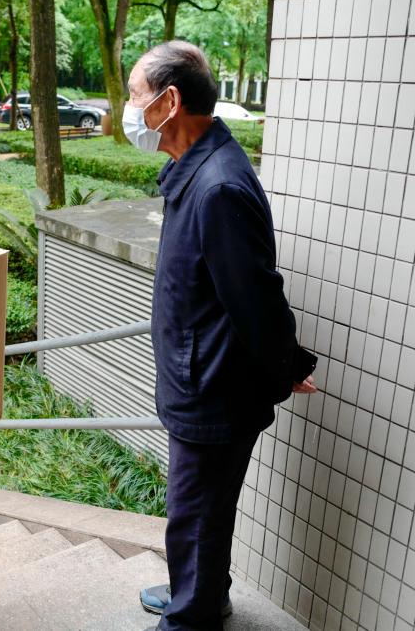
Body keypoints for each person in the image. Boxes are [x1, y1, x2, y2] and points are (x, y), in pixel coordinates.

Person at [126, 41, 318, 631]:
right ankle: (200, 592)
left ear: (169, 101)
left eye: (134, 96)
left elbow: (256, 298)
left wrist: (288, 365)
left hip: (213, 389)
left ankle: (192, 616)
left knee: (197, 515)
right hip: (200, 376)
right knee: (200, 511)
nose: (128, 109)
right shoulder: (195, 170)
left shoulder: (217, 187)